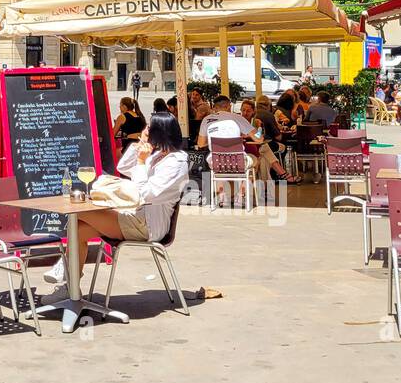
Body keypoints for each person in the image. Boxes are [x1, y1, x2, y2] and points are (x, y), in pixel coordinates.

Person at [44, 113, 190, 302]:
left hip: (147, 225)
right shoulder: (158, 156)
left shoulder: (176, 163)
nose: (144, 130)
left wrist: (141, 162)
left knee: (78, 212)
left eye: (148, 128)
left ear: (159, 132)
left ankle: (65, 273)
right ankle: (70, 287)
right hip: (134, 216)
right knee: (77, 229)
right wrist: (139, 150)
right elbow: (123, 167)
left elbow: (143, 194)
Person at [198, 95, 296, 185]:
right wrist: (259, 130)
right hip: (237, 161)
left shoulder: (206, 120)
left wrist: (213, 140)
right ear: (229, 106)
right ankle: (245, 191)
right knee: (256, 160)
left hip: (215, 162)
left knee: (262, 152)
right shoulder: (237, 118)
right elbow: (259, 139)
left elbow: (201, 144)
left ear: (214, 107)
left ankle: (223, 194)